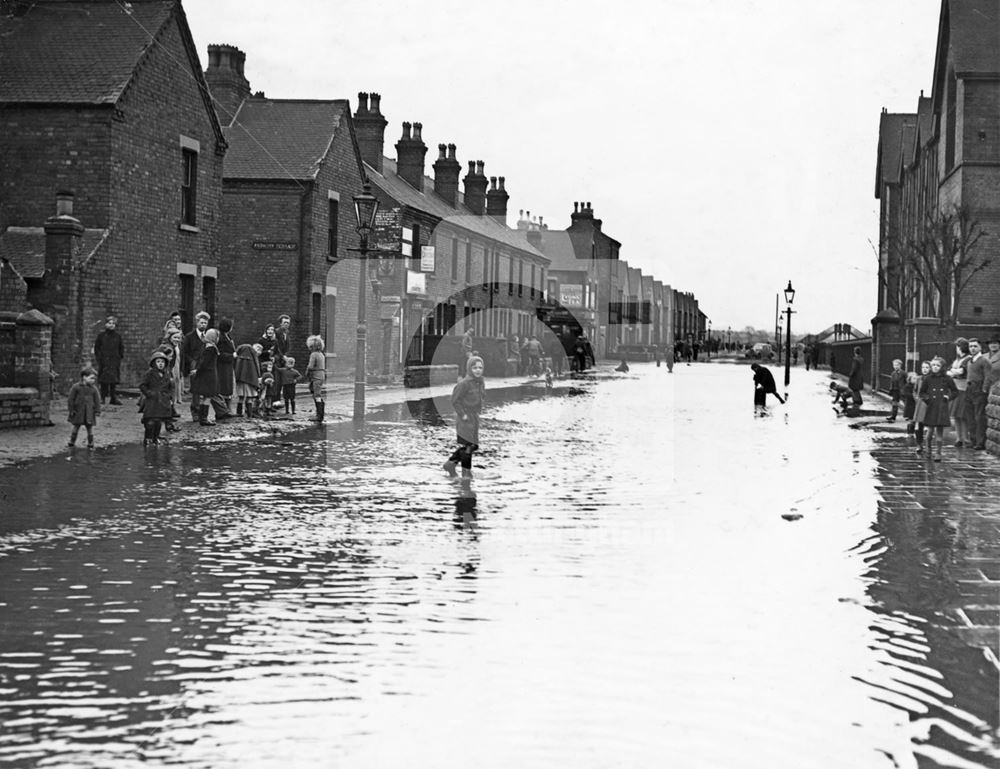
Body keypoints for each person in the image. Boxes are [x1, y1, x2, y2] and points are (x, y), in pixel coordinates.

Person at [443, 355, 485, 477]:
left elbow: (481, 397)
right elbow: (455, 400)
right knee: (468, 445)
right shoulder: (464, 384)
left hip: (474, 416)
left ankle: (450, 464)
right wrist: (463, 414)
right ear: (469, 369)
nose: (478, 370)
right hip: (465, 418)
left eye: (480, 367)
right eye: (474, 368)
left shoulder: (480, 382)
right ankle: (466, 473)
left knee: (473, 445)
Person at [920, 356, 958, 461]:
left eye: (938, 365)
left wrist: (948, 397)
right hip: (932, 406)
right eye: (933, 365)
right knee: (930, 430)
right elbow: (922, 392)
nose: (935, 367)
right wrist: (928, 399)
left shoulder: (947, 379)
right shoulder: (928, 378)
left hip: (942, 406)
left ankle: (938, 453)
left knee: (939, 431)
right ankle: (928, 449)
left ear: (942, 367)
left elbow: (955, 391)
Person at [139, 350, 174, 446]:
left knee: (158, 422)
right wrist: (149, 393)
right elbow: (142, 385)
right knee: (150, 422)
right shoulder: (149, 374)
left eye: (162, 362)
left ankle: (155, 437)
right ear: (154, 363)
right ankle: (148, 438)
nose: (160, 364)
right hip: (152, 401)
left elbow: (170, 387)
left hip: (163, 401)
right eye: (158, 362)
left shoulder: (167, 374)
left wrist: (169, 397)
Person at [190, 328, 222, 426]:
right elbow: (204, 363)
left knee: (205, 397)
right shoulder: (211, 349)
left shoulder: (207, 348)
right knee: (207, 397)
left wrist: (197, 370)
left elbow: (202, 362)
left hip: (206, 375)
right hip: (209, 376)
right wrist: (198, 370)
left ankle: (202, 418)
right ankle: (204, 418)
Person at [181, 311, 210, 416]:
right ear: (197, 323)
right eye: (201, 322)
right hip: (194, 365)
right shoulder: (189, 337)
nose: (203, 325)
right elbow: (185, 352)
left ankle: (204, 413)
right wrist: (191, 363)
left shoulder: (208, 336)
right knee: (196, 390)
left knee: (206, 389)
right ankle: (195, 411)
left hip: (205, 365)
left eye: (205, 323)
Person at [93, 315, 124, 405]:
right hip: (104, 361)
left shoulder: (117, 336)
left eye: (113, 324)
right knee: (104, 380)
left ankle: (113, 398)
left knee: (113, 381)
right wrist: (99, 358)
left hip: (114, 361)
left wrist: (119, 357)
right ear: (106, 324)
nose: (111, 325)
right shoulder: (101, 336)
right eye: (109, 323)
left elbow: (121, 347)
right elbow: (97, 347)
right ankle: (102, 398)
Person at [67, 367, 101, 449]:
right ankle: (72, 441)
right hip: (78, 411)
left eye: (94, 379)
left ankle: (90, 442)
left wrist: (97, 410)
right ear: (84, 377)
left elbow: (97, 400)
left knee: (89, 427)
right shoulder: (76, 387)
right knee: (76, 426)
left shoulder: (93, 389)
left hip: (89, 411)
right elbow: (71, 399)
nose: (93, 380)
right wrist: (71, 409)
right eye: (91, 378)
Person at [946, 337, 971, 447]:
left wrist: (953, 372)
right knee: (956, 415)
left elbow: (962, 372)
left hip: (964, 389)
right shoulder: (957, 359)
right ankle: (959, 438)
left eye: (957, 346)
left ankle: (966, 438)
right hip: (956, 389)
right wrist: (953, 372)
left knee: (963, 415)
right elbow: (949, 370)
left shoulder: (968, 358)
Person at [965, 338, 989, 450]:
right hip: (969, 390)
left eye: (975, 346)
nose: (972, 348)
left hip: (979, 390)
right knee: (970, 416)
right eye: (970, 346)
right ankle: (973, 440)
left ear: (980, 347)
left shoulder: (984, 361)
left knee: (979, 416)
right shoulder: (970, 361)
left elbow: (988, 377)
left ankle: (980, 442)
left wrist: (984, 390)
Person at [234, 342, 261, 417]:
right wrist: (258, 377)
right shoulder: (253, 357)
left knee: (241, 397)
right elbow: (257, 367)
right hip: (250, 380)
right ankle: (249, 415)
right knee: (249, 398)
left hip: (240, 380)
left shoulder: (239, 357)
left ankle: (239, 413)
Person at [303, 334, 326, 422]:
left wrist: (307, 373)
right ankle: (320, 412)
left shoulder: (314, 354)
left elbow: (310, 366)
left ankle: (319, 415)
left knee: (316, 394)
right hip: (321, 375)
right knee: (315, 391)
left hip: (316, 376)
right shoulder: (321, 354)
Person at [216, 318, 237, 416]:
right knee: (224, 387)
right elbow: (220, 354)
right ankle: (223, 410)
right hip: (222, 366)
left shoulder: (229, 337)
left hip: (229, 365)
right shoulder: (221, 339)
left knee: (229, 386)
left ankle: (228, 408)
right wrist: (232, 356)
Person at [912, 361, 931, 454]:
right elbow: (915, 390)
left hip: (930, 403)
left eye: (927, 367)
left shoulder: (933, 379)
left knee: (930, 425)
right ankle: (919, 444)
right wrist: (916, 397)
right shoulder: (919, 379)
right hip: (920, 403)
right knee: (919, 424)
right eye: (923, 367)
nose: (925, 369)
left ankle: (928, 444)